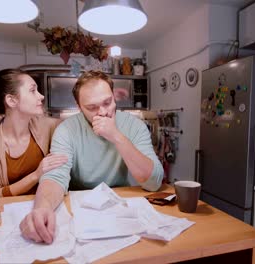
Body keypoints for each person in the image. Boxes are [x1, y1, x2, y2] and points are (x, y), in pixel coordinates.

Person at [20, 70, 163, 243]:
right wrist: (43, 207)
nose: (102, 112)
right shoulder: (66, 130)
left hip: (119, 209)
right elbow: (55, 176)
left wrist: (116, 136)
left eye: (107, 102)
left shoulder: (135, 126)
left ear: (113, 97)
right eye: (92, 107)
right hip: (80, 210)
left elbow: (153, 181)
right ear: (79, 106)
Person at [0, 68, 67, 197]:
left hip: (45, 206)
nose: (41, 96)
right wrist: (36, 175)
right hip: (6, 212)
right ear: (11, 100)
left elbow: (75, 126)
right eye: (33, 91)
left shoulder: (48, 126)